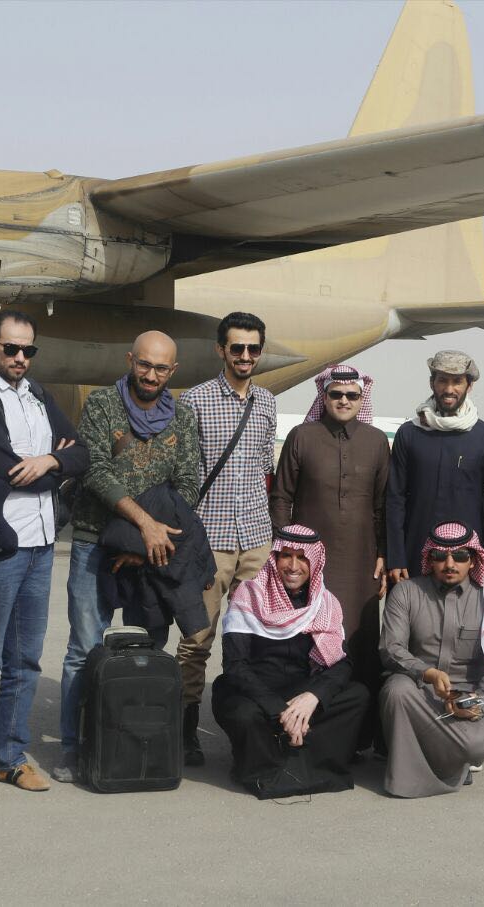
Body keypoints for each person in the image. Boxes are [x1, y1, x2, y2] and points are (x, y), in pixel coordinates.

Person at [0, 310, 89, 801]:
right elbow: (1, 466)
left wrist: (51, 459)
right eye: (11, 349)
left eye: (29, 350)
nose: (21, 358)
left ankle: (10, 757)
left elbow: (83, 452)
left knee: (26, 659)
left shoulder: (38, 394)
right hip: (0, 544)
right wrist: (56, 465)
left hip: (43, 544)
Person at [53, 330, 202, 783]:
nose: (151, 375)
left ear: (172, 371)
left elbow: (189, 485)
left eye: (161, 368)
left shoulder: (184, 417)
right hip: (94, 541)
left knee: (149, 646)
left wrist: (143, 544)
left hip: (150, 552)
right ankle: (74, 747)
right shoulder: (102, 405)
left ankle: (132, 742)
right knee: (83, 647)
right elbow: (96, 470)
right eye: (144, 364)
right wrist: (143, 524)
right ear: (130, 360)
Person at [271, 364, 389, 754]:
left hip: (359, 565)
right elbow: (282, 497)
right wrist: (287, 554)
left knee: (357, 643)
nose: (343, 401)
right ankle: (302, 729)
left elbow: (381, 506)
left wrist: (382, 555)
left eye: (351, 395)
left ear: (361, 399)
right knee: (309, 645)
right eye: (336, 394)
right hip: (308, 566)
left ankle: (357, 737)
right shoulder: (302, 437)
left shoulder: (375, 441)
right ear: (323, 396)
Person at [178, 312, 278, 766]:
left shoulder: (268, 403)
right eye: (236, 348)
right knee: (197, 639)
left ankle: (250, 728)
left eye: (253, 348)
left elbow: (262, 465)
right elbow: (183, 472)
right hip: (211, 538)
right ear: (221, 350)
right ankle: (184, 730)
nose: (244, 356)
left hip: (256, 539)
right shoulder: (196, 400)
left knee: (259, 639)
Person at [212, 525, 369, 798]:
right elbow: (236, 666)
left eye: (302, 557)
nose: (293, 566)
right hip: (256, 693)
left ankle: (305, 758)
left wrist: (313, 697)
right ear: (275, 557)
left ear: (314, 561)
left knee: (358, 695)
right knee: (240, 712)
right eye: (286, 556)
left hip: (301, 692)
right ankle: (266, 763)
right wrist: (279, 710)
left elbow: (340, 664)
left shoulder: (324, 603)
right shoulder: (249, 595)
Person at [379, 522, 484, 798]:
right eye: (440, 556)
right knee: (396, 690)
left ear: (473, 559)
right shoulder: (406, 593)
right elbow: (391, 648)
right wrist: (427, 673)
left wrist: (480, 703)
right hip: (421, 690)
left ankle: (444, 759)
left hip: (468, 694)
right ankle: (412, 777)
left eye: (460, 556)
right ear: (430, 558)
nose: (450, 564)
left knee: (477, 748)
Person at [386, 350, 484, 589]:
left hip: (466, 561)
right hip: (413, 557)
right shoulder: (410, 434)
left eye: (457, 381)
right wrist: (396, 557)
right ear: (432, 383)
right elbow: (395, 499)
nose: (449, 389)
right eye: (442, 380)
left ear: (469, 386)